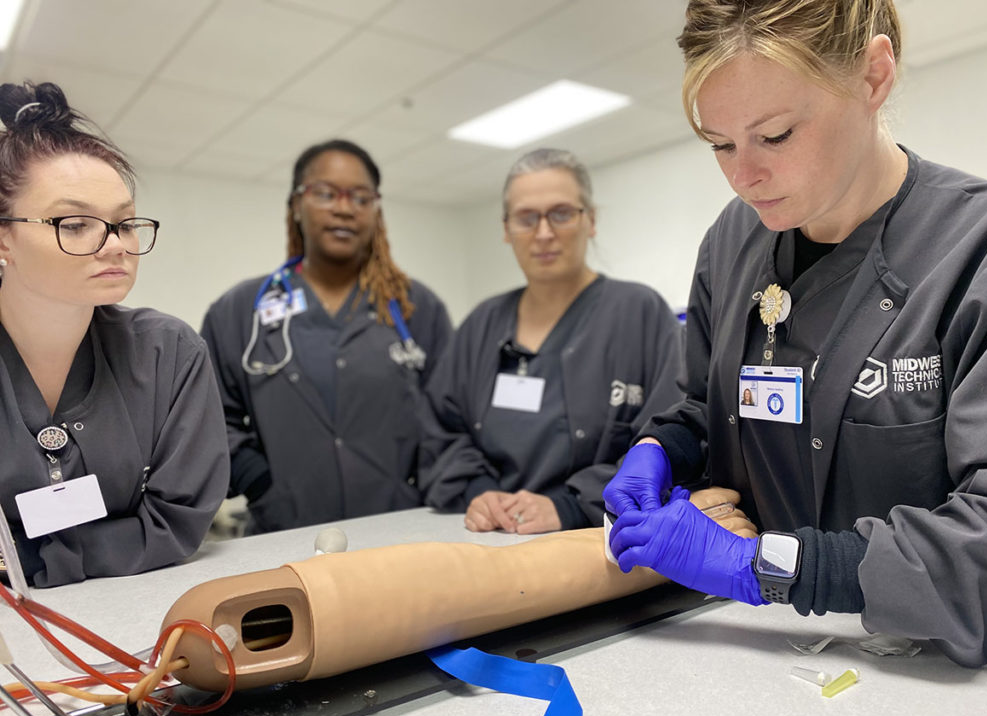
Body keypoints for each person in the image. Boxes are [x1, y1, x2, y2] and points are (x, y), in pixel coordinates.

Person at [603, 0, 987, 667]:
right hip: (756, 654)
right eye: (720, 144)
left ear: (874, 76)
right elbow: (709, 404)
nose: (743, 177)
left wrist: (770, 566)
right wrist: (663, 447)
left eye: (775, 136)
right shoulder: (731, 243)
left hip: (930, 674)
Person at [0, 81, 229, 587]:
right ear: (4, 238)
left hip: (128, 606)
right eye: (75, 224)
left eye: (125, 224)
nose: (115, 245)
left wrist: (30, 562)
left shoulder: (168, 353)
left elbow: (177, 520)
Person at [420, 148, 700, 535]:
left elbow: (670, 438)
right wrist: (480, 493)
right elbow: (441, 434)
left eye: (561, 213)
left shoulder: (640, 314)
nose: (544, 233)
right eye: (526, 218)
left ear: (591, 220)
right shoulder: (481, 326)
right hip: (489, 538)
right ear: (506, 229)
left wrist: (571, 505)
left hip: (599, 542)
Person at [201, 140, 452, 534]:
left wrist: (424, 485)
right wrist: (259, 482)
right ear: (296, 205)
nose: (344, 208)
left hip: (403, 528)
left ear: (376, 210)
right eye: (325, 193)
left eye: (361, 197)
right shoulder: (239, 310)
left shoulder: (416, 307)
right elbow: (210, 419)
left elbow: (449, 418)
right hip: (284, 531)